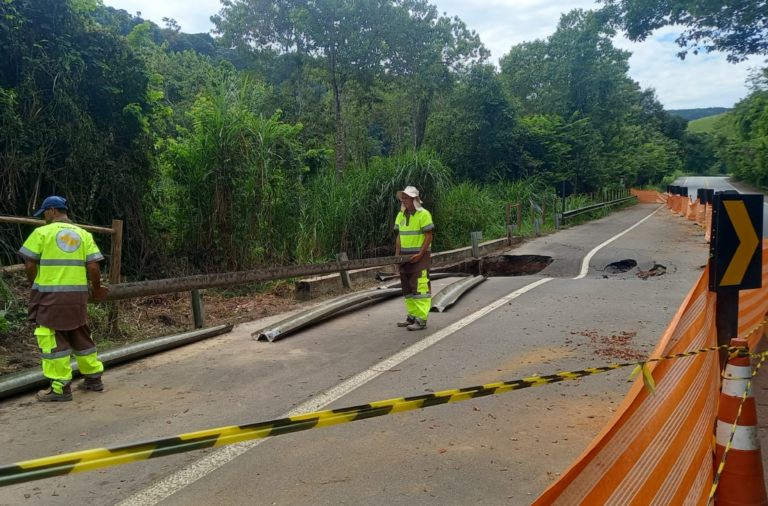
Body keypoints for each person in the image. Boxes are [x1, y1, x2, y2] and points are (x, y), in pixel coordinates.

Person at [18, 196, 109, 402]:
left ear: (52, 210)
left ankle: (60, 388)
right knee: (80, 333)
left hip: (50, 296)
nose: (44, 218)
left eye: (45, 214)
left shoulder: (42, 232)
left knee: (51, 337)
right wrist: (96, 288)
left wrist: (34, 284)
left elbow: (30, 264)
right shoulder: (83, 234)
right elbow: (94, 266)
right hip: (77, 297)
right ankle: (94, 378)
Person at [394, 186, 434, 331]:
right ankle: (411, 316)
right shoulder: (401, 215)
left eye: (407, 198)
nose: (404, 200)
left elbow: (429, 236)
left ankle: (421, 319)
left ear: (414, 199)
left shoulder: (424, 214)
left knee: (420, 290)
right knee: (407, 290)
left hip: (419, 258)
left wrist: (420, 254)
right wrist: (397, 255)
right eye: (403, 197)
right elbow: (399, 236)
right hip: (404, 258)